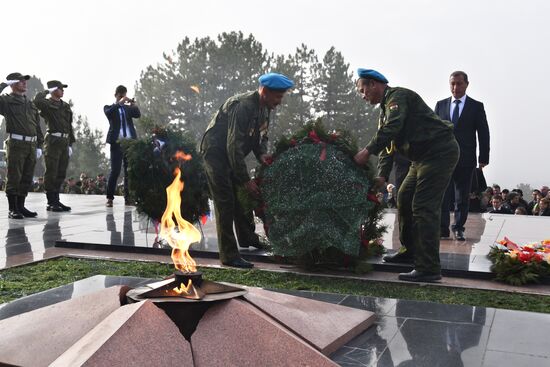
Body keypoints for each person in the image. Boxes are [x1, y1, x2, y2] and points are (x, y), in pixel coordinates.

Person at [353, 69, 459, 282]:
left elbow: (393, 127)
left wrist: (366, 151)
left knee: (423, 207)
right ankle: (410, 252)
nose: (363, 96)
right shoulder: (384, 110)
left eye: (363, 90)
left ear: (374, 84)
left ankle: (429, 267)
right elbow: (388, 146)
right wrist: (382, 176)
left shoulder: (397, 97)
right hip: (419, 159)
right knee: (404, 197)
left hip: (438, 152)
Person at [200, 72, 294, 269]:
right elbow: (233, 145)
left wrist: (261, 154)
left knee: (242, 198)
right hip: (216, 153)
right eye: (278, 96)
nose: (280, 102)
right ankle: (228, 255)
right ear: (265, 92)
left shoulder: (264, 108)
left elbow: (262, 136)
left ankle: (248, 237)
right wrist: (245, 179)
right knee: (225, 200)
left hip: (232, 155)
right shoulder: (243, 106)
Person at [436, 71, 490, 241]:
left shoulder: (476, 106)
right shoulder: (440, 105)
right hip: (443, 158)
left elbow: (483, 133)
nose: (455, 87)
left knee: (462, 197)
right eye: (452, 84)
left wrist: (483, 157)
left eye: (459, 83)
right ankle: (442, 228)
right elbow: (433, 131)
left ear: (467, 84)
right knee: (442, 196)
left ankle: (458, 227)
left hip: (466, 159)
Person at [0, 73, 44, 219]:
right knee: (14, 177)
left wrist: (39, 144)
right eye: (20, 81)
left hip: (31, 144)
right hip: (16, 143)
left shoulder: (29, 103)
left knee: (26, 177)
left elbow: (36, 125)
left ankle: (20, 206)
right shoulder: (6, 101)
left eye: (25, 81)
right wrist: (4, 84)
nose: (25, 83)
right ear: (13, 83)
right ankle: (13, 209)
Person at [34, 80, 75, 212]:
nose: (63, 91)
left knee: (61, 173)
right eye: (60, 88)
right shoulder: (47, 104)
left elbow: (69, 126)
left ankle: (56, 200)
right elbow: (37, 101)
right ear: (53, 90)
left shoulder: (66, 106)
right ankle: (51, 202)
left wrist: (70, 143)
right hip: (52, 141)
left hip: (64, 141)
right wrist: (47, 91)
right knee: (51, 172)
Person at [104, 85, 140, 207]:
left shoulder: (127, 109)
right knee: (115, 171)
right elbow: (109, 113)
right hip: (117, 143)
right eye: (120, 95)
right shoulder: (109, 107)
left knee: (128, 172)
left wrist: (132, 104)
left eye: (124, 95)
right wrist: (119, 103)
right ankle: (109, 198)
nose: (122, 97)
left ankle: (128, 198)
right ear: (116, 95)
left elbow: (137, 114)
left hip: (129, 143)